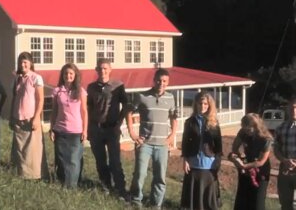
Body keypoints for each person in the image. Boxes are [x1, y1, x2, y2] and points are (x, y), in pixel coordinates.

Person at [126, 68, 177, 208]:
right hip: (145, 144)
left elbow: (174, 118)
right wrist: (132, 133)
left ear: (168, 82)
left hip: (162, 145)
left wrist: (172, 135)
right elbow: (129, 112)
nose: (161, 83)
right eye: (159, 80)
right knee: (140, 174)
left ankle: (156, 204)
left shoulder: (170, 98)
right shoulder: (142, 96)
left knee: (160, 177)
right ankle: (136, 200)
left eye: (165, 81)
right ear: (154, 80)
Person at [86, 58, 129, 197]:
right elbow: (89, 107)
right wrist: (87, 128)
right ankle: (106, 186)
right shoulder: (91, 87)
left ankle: (121, 189)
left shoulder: (118, 86)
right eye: (100, 68)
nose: (102, 71)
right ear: (96, 70)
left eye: (105, 68)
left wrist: (119, 123)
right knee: (100, 161)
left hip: (111, 129)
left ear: (110, 69)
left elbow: (126, 106)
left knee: (115, 161)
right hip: (96, 129)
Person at [180, 92, 222, 210]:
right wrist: (185, 159)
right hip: (193, 163)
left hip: (209, 163)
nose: (203, 106)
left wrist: (218, 159)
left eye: (205, 104)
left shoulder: (214, 122)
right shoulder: (190, 122)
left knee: (208, 198)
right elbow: (185, 142)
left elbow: (218, 143)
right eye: (200, 103)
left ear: (209, 106)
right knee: (194, 198)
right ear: (196, 104)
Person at [49, 63, 88, 189]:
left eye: (71, 73)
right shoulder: (57, 91)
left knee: (73, 161)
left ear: (75, 75)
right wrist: (52, 129)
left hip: (76, 131)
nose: (68, 76)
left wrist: (85, 130)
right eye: (66, 73)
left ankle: (72, 186)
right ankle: (62, 183)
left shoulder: (81, 91)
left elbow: (84, 111)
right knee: (61, 160)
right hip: (60, 130)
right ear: (62, 75)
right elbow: (54, 111)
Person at [10, 52, 47, 180]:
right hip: (18, 118)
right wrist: (11, 116)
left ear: (30, 63)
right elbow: (14, 98)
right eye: (20, 62)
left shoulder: (36, 78)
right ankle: (21, 174)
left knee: (32, 150)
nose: (22, 64)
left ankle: (35, 176)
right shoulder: (17, 79)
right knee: (19, 149)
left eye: (25, 62)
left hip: (30, 118)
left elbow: (40, 99)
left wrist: (37, 118)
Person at [229, 113, 273, 210]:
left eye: (249, 129)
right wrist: (238, 157)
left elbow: (261, 161)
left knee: (257, 203)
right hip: (245, 169)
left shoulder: (266, 139)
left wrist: (244, 166)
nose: (246, 131)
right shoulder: (243, 132)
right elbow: (235, 148)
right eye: (244, 128)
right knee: (242, 201)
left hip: (260, 172)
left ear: (256, 126)